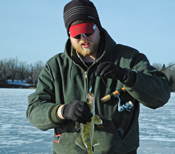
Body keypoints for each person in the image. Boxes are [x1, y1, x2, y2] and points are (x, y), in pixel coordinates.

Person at [26, 0, 171, 153]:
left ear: (98, 28)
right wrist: (62, 111)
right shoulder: (55, 67)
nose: (83, 38)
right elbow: (34, 110)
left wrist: (127, 77)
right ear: (69, 34)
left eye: (87, 30)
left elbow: (161, 95)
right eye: (76, 33)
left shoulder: (130, 58)